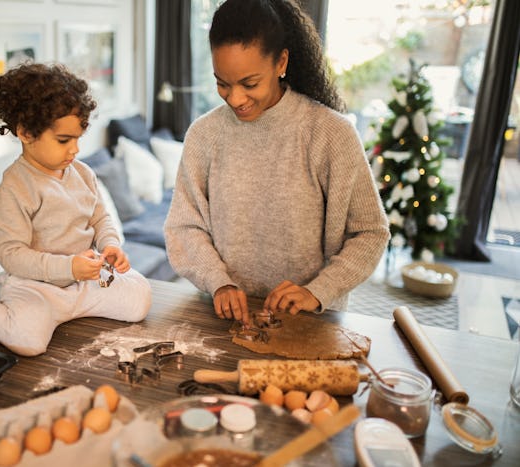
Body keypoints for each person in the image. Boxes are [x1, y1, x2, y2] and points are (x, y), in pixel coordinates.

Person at [164, 0, 390, 325]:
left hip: (310, 322)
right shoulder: (204, 135)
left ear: (281, 61)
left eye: (249, 83)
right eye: (222, 83)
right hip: (226, 319)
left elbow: (370, 232)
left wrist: (318, 291)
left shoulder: (330, 133)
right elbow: (185, 226)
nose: (236, 98)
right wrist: (219, 282)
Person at [0, 63, 151, 356]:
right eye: (64, 140)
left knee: (140, 298)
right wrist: (67, 267)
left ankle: (67, 312)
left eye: (78, 138)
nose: (74, 149)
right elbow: (11, 254)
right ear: (26, 133)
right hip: (35, 286)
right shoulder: (15, 187)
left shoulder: (84, 173)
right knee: (28, 342)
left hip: (83, 281)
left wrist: (110, 244)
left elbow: (100, 218)